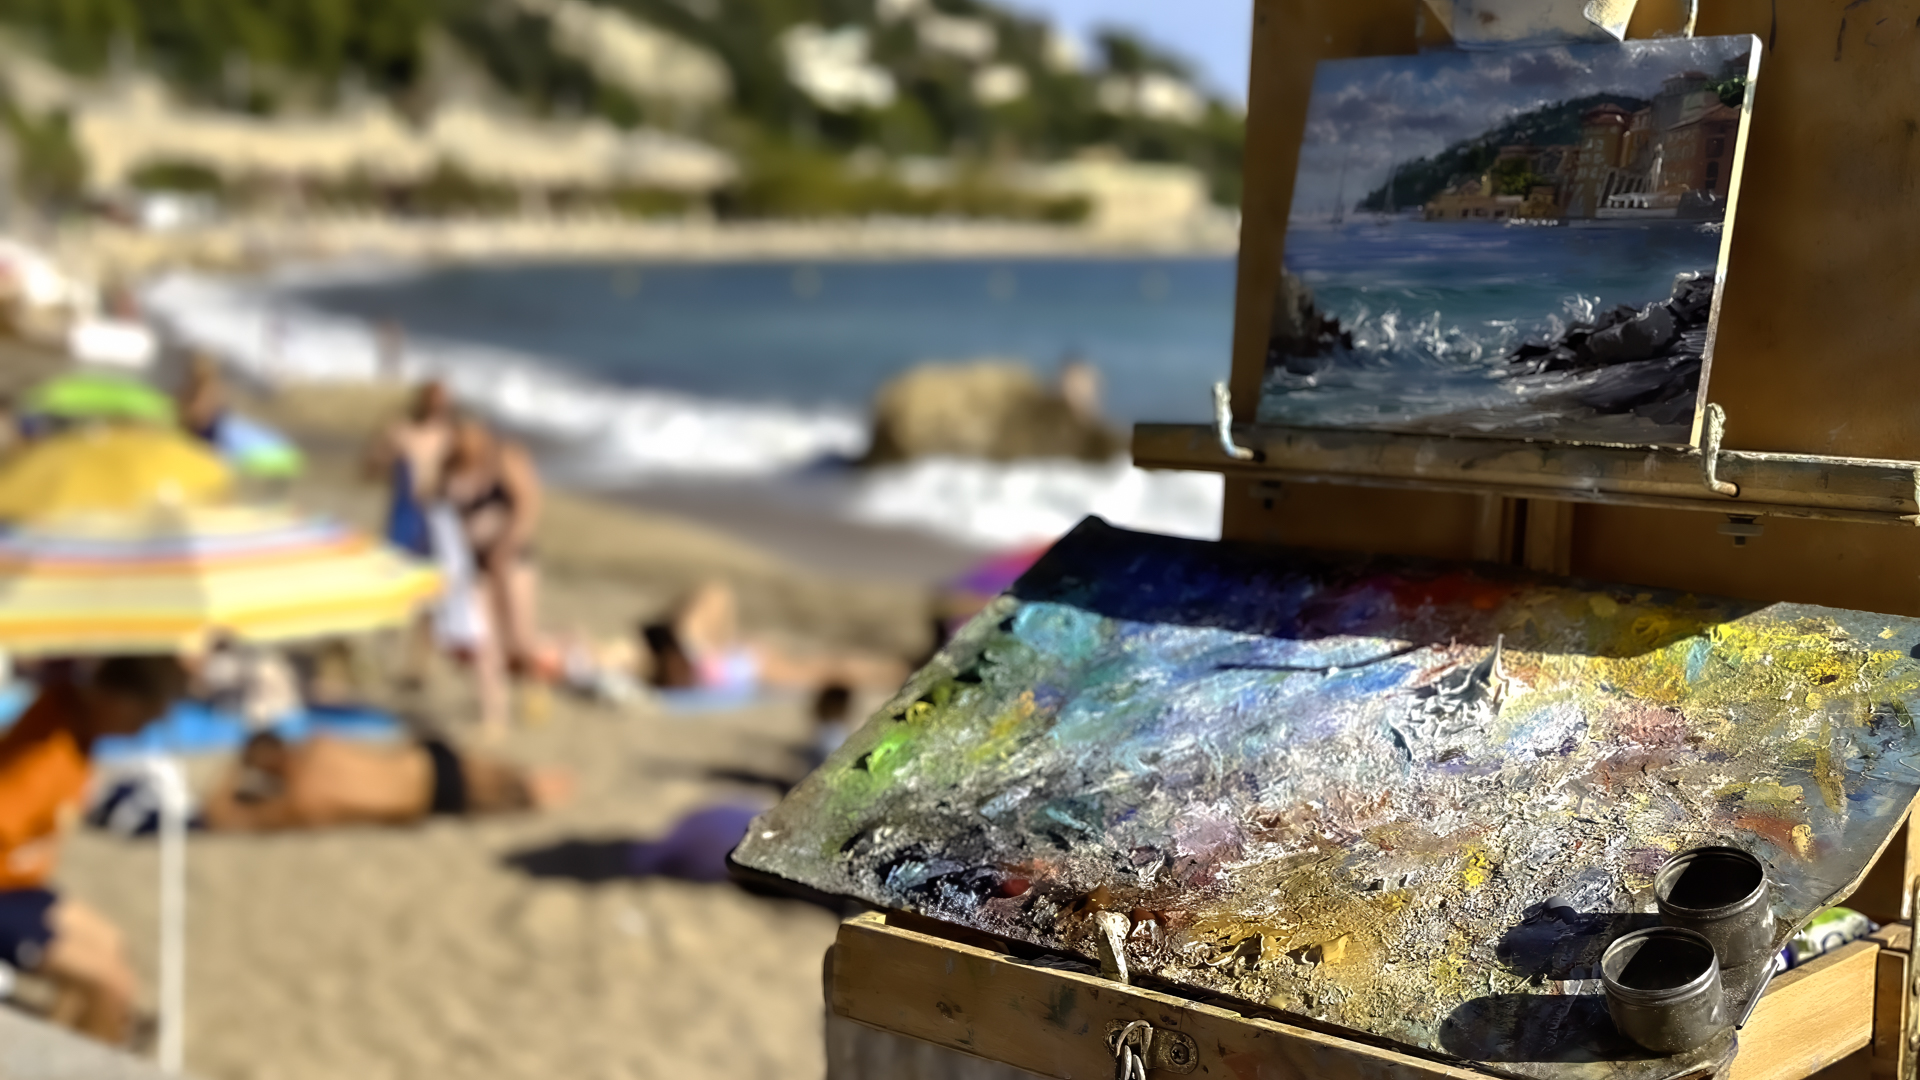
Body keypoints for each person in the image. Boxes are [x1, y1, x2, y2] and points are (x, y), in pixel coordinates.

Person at [0, 656, 188, 1043]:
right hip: (4, 888)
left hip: (19, 884)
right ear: (115, 700)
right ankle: (91, 1056)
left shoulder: (72, 718)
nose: (145, 728)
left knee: (111, 945)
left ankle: (59, 1048)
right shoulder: (42, 754)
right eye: (145, 716)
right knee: (110, 985)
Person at [200, 732, 570, 832]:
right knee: (490, 773)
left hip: (423, 800)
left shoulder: (300, 801)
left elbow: (221, 818)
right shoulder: (319, 744)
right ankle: (535, 778)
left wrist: (233, 770)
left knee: (490, 798)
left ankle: (533, 793)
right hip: (423, 759)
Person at [642, 581, 907, 694]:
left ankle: (894, 673)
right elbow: (716, 592)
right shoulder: (688, 648)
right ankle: (894, 673)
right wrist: (726, 639)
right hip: (754, 666)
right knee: (827, 669)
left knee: (827, 667)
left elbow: (716, 592)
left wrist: (726, 640)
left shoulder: (688, 651)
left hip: (747, 661)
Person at [442, 417, 547, 681]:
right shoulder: (457, 464)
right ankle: (495, 699)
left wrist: (504, 547)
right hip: (475, 562)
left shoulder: (506, 456)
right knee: (485, 637)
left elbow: (527, 506)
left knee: (520, 639)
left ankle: (543, 679)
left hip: (509, 558)